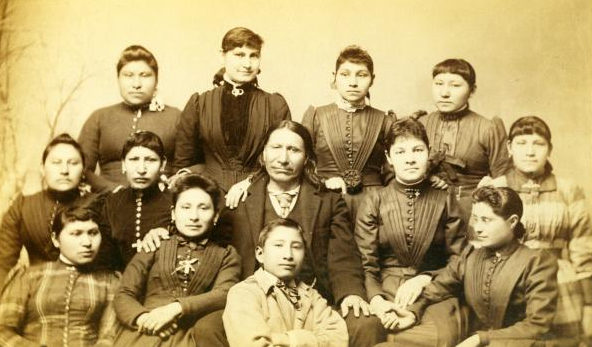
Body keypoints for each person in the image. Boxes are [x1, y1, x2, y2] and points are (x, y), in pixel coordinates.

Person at [226, 120, 383, 347]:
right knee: (208, 327)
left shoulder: (329, 200)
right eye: (276, 148)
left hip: (315, 302)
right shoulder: (239, 199)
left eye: (294, 150)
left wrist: (350, 293)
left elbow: (343, 256)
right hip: (259, 303)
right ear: (263, 154)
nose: (283, 158)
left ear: (307, 158)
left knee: (366, 324)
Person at [381, 186, 559, 347]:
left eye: (486, 220)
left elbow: (537, 325)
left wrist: (481, 339)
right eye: (475, 219)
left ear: (512, 221)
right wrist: (412, 313)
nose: (478, 228)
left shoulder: (537, 262)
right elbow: (436, 289)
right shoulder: (470, 256)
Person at [355, 117, 466, 345]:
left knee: (440, 336)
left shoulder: (446, 199)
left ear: (429, 153)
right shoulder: (374, 199)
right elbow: (366, 263)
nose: (410, 159)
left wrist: (424, 279)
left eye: (418, 150)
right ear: (389, 158)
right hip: (384, 289)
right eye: (401, 152)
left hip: (435, 290)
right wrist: (376, 299)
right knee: (367, 331)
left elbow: (459, 259)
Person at [481, 116, 592, 343]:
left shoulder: (569, 190)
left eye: (538, 144)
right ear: (510, 148)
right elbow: (480, 246)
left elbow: (583, 248)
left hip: (561, 284)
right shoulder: (495, 188)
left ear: (549, 149)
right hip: (509, 283)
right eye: (522, 143)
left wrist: (589, 302)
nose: (530, 152)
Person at [113, 173, 240, 347]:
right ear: (173, 213)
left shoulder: (226, 254)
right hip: (144, 332)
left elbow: (224, 293)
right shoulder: (155, 244)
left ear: (216, 216)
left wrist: (177, 308)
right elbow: (124, 293)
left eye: (203, 208)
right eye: (186, 207)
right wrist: (143, 319)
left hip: (191, 337)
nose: (194, 216)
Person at [173, 27, 291, 196]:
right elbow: (183, 163)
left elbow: (282, 160)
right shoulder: (199, 104)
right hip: (209, 196)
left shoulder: (275, 105)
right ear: (222, 55)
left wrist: (251, 182)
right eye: (239, 55)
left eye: (253, 56)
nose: (247, 64)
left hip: (261, 194)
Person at [0, 203, 119, 347]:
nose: (87, 242)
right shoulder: (29, 277)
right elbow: (3, 330)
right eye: (76, 233)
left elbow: (109, 336)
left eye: (93, 233)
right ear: (56, 239)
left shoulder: (110, 282)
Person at [302, 45, 395, 222]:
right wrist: (322, 182)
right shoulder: (315, 116)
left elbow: (394, 170)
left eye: (361, 75)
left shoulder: (385, 121)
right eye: (345, 74)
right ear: (335, 78)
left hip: (375, 205)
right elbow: (302, 162)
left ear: (372, 79)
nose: (353, 82)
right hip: (326, 198)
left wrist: (386, 200)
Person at [223, 218, 348, 347]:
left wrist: (287, 340)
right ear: (260, 254)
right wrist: (311, 340)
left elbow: (338, 339)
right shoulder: (244, 294)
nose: (288, 255)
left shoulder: (312, 296)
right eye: (278, 245)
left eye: (296, 247)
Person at [78, 45, 180, 192]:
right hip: (108, 200)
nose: (136, 84)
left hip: (162, 202)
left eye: (145, 75)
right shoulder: (99, 118)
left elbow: (190, 165)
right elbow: (82, 169)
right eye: (128, 75)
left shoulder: (175, 117)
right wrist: (112, 189)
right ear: (118, 79)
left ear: (156, 80)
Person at [420, 58, 511, 222]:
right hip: (425, 211)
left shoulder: (488, 128)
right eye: (439, 83)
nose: (444, 93)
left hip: (470, 215)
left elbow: (503, 179)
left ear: (472, 90)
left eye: (455, 85)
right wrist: (425, 176)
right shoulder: (421, 124)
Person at [0, 133, 97, 285]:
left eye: (73, 163)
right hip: (34, 290)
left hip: (87, 290)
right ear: (42, 169)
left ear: (84, 169)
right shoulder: (23, 206)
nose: (64, 170)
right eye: (56, 163)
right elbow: (3, 263)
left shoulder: (99, 204)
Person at [99, 131, 172, 270]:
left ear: (163, 164)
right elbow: (105, 257)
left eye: (150, 160)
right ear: (123, 164)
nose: (141, 169)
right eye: (133, 160)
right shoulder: (112, 202)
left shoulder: (175, 202)